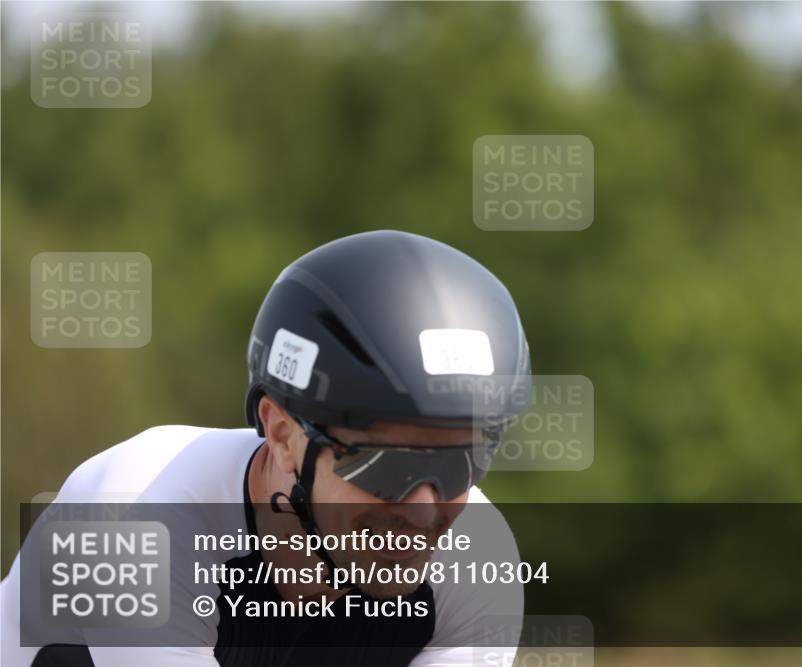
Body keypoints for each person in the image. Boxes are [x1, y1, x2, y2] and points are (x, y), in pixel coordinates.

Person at [2, 230, 532, 667]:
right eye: (384, 464)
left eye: (460, 463)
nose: (423, 508)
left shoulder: (480, 557)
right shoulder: (141, 510)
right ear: (281, 435)